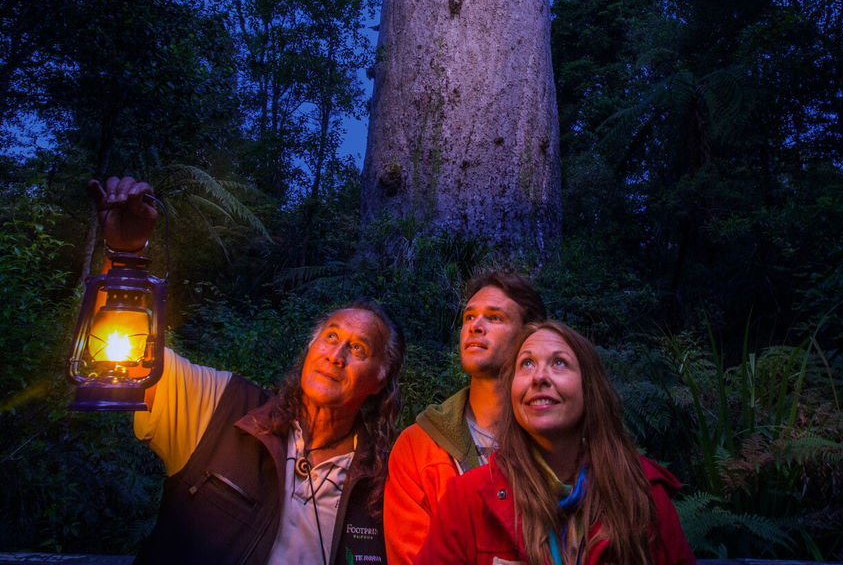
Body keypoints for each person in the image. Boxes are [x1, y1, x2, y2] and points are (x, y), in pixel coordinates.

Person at [88, 176, 404, 565]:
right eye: (330, 337)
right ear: (309, 348)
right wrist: (125, 258)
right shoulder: (220, 409)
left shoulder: (388, 482)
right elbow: (124, 365)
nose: (335, 355)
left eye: (358, 348)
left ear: (380, 379)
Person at [415, 321, 697, 565]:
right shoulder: (468, 499)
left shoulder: (643, 492)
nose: (539, 377)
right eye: (526, 363)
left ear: (590, 389)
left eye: (559, 362)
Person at [383, 271, 547, 565]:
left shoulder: (557, 438)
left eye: (495, 318)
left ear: (530, 336)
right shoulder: (417, 447)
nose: (475, 327)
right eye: (469, 317)